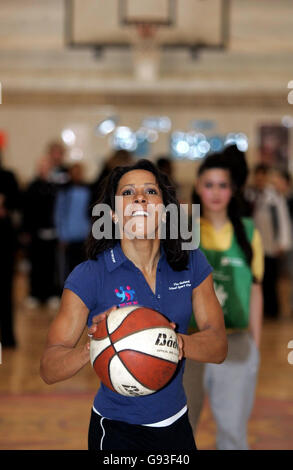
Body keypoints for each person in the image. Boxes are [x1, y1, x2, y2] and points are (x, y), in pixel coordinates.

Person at [40, 159, 227, 451]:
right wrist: (95, 346)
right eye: (127, 193)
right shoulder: (90, 275)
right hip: (115, 430)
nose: (139, 197)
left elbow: (218, 347)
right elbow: (49, 369)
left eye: (150, 191)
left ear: (165, 210)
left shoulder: (191, 262)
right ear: (113, 215)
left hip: (176, 424)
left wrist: (172, 343)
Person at [184, 152, 264, 450]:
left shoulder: (247, 231)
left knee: (232, 433)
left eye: (223, 185)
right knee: (180, 432)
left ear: (233, 190)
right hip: (189, 345)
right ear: (197, 186)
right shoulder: (184, 228)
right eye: (209, 185)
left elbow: (255, 290)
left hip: (235, 344)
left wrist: (255, 345)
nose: (216, 193)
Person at [245, 164, 291, 318]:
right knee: (257, 279)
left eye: (263, 175)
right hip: (254, 245)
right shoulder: (250, 195)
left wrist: (282, 242)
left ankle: (272, 310)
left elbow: (283, 220)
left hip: (270, 245)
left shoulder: (274, 197)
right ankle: (259, 310)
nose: (260, 179)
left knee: (271, 279)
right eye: (257, 175)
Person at [54, 163, 91, 286]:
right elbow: (60, 214)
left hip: (84, 236)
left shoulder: (88, 190)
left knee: (85, 268)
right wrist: (62, 234)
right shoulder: (64, 192)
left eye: (79, 172)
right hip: (69, 237)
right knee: (69, 268)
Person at [0, 150, 21, 347]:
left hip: (4, 241)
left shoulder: (8, 177)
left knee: (5, 292)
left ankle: (7, 338)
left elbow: (18, 203)